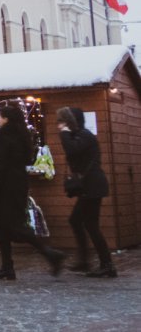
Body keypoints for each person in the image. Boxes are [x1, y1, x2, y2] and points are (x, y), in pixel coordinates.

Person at [0, 104, 65, 280]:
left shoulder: (3, 137)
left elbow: (1, 166)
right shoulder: (22, 135)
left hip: (6, 186)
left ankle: (50, 254)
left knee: (13, 226)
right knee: (5, 227)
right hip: (18, 183)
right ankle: (7, 267)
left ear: (6, 118)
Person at [57, 107, 115, 278]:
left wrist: (64, 133)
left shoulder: (84, 135)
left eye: (62, 122)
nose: (59, 126)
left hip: (93, 186)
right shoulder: (80, 135)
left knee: (91, 225)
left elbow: (72, 150)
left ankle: (107, 265)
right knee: (76, 220)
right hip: (89, 186)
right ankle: (85, 261)